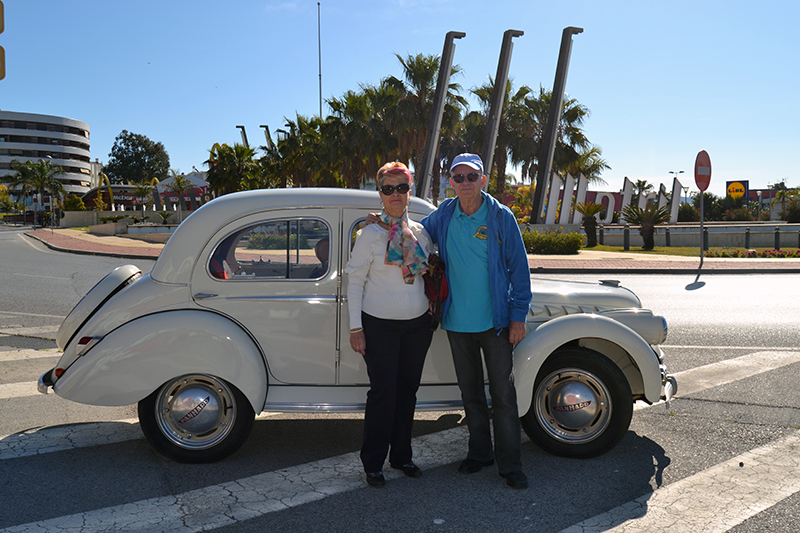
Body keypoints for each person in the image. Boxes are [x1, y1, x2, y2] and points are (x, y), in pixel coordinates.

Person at [421, 153, 532, 489]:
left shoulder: (500, 216)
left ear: (483, 180)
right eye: (458, 177)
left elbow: (519, 269)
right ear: (450, 182)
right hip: (456, 323)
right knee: (470, 395)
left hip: (495, 324)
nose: (465, 183)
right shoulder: (442, 216)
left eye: (472, 176)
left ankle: (510, 464)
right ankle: (480, 452)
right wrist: (381, 221)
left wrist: (517, 316)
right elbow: (413, 236)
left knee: (503, 396)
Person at [345, 162, 434, 488]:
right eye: (388, 189)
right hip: (379, 325)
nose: (395, 195)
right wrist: (356, 328)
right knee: (383, 394)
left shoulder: (422, 233)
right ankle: (373, 463)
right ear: (380, 194)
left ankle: (402, 456)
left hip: (417, 326)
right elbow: (355, 281)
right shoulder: (370, 233)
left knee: (407, 393)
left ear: (410, 192)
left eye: (402, 188)